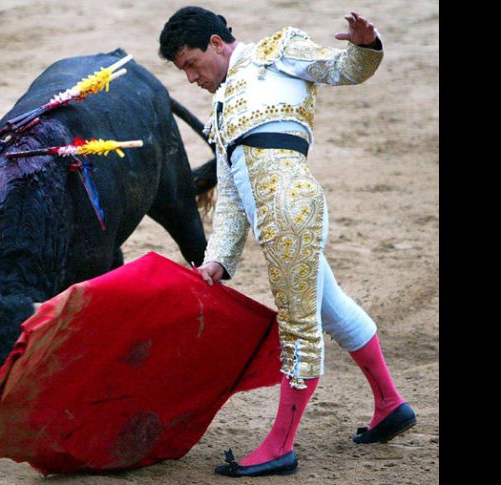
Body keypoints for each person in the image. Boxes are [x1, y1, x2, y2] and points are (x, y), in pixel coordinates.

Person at [158, 7, 416, 478]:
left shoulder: (277, 52)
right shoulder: (221, 110)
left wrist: (365, 46)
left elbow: (342, 69)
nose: (192, 78)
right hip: (271, 218)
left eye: (193, 64)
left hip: (290, 208)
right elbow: (233, 190)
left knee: (297, 328)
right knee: (330, 308)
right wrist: (217, 259)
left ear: (217, 43)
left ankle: (281, 445)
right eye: (184, 72)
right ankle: (390, 404)